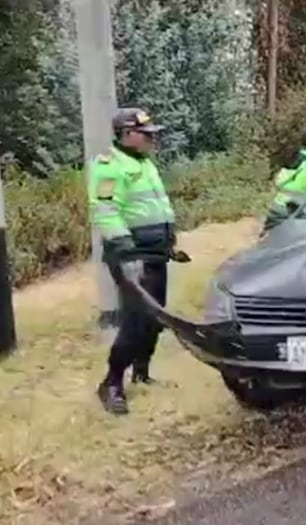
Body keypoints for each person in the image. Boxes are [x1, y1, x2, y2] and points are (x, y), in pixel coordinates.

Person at [88, 107, 180, 415]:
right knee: (136, 320)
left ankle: (142, 372)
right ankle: (112, 382)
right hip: (132, 255)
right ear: (128, 135)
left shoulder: (144, 163)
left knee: (155, 317)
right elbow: (106, 211)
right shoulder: (109, 167)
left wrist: (169, 242)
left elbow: (154, 208)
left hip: (155, 252)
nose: (153, 139)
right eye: (147, 134)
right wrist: (128, 251)